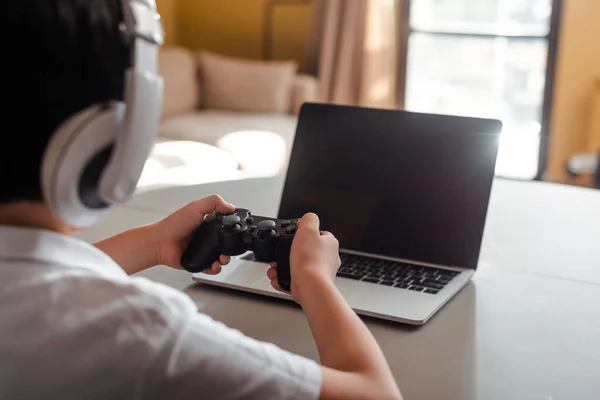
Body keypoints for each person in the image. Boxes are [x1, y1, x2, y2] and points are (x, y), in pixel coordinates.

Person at [0, 1, 402, 399]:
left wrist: (154, 243)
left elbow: (36, 276)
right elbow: (377, 394)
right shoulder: (140, 331)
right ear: (120, 136)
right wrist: (315, 279)